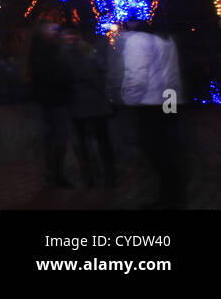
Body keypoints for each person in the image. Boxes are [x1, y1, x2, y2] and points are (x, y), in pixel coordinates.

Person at [110, 18, 185, 209]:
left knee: (156, 148)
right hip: (169, 98)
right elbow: (171, 72)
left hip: (150, 102)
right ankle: (174, 191)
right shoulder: (165, 38)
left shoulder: (137, 41)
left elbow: (137, 75)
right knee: (169, 144)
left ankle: (168, 195)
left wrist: (129, 100)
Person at [61, 27, 115, 189]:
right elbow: (102, 71)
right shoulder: (89, 51)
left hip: (78, 102)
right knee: (101, 140)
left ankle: (90, 178)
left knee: (83, 142)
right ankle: (108, 177)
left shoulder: (63, 56)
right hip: (95, 101)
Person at [29, 19, 72, 188]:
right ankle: (56, 173)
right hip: (54, 99)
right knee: (58, 137)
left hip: (52, 98)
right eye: (51, 29)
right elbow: (52, 75)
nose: (56, 31)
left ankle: (53, 172)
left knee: (53, 137)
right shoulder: (47, 51)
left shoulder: (44, 49)